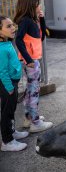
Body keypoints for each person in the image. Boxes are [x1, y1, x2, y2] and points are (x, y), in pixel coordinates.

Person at [14, 0, 53, 133]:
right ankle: (35, 122)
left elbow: (42, 36)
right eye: (37, 4)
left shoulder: (31, 20)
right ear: (31, 6)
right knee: (34, 91)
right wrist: (29, 59)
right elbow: (18, 40)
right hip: (31, 62)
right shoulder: (25, 21)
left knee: (31, 91)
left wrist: (41, 19)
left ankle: (29, 118)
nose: (39, 6)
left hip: (33, 60)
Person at [0, 15, 29, 152]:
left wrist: (19, 64)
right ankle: (7, 141)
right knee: (6, 112)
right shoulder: (1, 48)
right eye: (8, 26)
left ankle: (12, 132)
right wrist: (9, 87)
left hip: (12, 83)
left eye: (12, 25)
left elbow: (9, 63)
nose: (13, 28)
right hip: (8, 85)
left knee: (11, 110)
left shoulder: (7, 43)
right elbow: (2, 71)